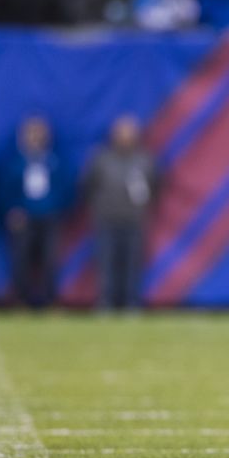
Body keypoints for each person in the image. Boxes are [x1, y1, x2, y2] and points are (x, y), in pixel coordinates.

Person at [83, 115, 158, 311]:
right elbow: (88, 186)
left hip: (134, 219)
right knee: (106, 263)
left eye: (129, 132)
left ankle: (131, 302)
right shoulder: (101, 158)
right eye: (121, 132)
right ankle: (106, 302)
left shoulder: (144, 159)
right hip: (106, 219)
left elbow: (156, 186)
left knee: (133, 264)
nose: (125, 137)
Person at [5, 116, 69, 308]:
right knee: (21, 260)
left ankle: (51, 300)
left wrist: (58, 208)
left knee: (50, 259)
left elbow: (65, 188)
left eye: (39, 133)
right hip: (23, 218)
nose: (35, 137)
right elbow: (6, 189)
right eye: (31, 133)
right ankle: (21, 300)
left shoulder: (54, 160)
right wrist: (13, 210)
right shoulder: (16, 162)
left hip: (49, 217)